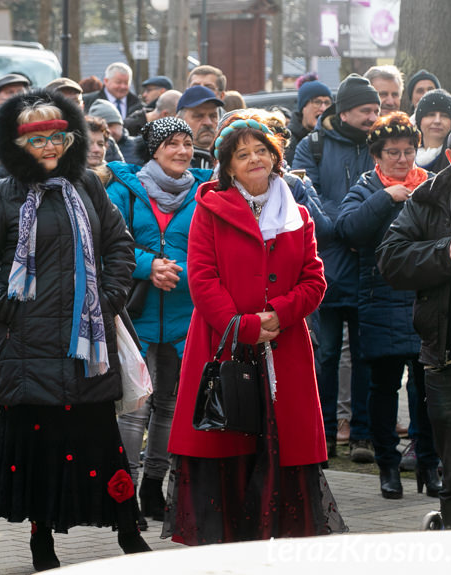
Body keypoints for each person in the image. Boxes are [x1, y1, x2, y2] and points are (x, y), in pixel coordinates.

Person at [0, 90, 150, 571]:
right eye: (37, 138)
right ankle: (41, 544)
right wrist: (7, 307)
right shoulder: (2, 193)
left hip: (85, 343)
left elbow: (120, 246)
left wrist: (108, 299)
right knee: (41, 450)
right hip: (25, 346)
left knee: (99, 441)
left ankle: (128, 533)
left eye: (58, 136)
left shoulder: (87, 184)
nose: (49, 146)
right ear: (17, 144)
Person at [165, 110, 344, 545]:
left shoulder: (297, 213)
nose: (254, 160)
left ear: (275, 156)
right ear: (227, 165)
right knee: (228, 439)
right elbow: (202, 278)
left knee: (281, 444)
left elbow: (315, 279)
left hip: (285, 351)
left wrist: (279, 314)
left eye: (261, 150)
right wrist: (242, 326)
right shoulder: (209, 208)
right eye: (242, 154)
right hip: (223, 345)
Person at [377, 114, 451, 529]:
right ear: (450, 157)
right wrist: (443, 255)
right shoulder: (425, 202)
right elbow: (390, 261)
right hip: (450, 362)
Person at [105, 117, 212, 531]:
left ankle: (154, 486)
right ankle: (124, 495)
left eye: (187, 143)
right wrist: (149, 266)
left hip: (186, 316)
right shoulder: (123, 190)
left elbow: (209, 246)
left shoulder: (204, 193)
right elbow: (110, 244)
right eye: (172, 144)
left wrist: (181, 270)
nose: (183, 151)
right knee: (135, 407)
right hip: (139, 313)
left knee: (170, 405)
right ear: (153, 149)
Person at [335, 112, 440, 500]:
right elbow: (348, 230)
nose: (401, 159)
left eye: (408, 151)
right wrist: (385, 198)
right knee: (382, 388)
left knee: (427, 389)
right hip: (379, 302)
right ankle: (388, 466)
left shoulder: (430, 185)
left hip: (425, 301)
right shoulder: (366, 188)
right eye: (392, 152)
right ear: (376, 156)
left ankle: (430, 462)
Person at [292, 73, 381, 464]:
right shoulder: (311, 146)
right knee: (325, 355)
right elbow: (304, 198)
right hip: (325, 268)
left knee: (365, 356)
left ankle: (361, 434)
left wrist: (356, 222)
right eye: (366, 110)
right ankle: (323, 433)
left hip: (369, 267)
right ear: (344, 112)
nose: (373, 117)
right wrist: (343, 224)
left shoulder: (380, 145)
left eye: (377, 110)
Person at [176, 85, 224, 169]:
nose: (208, 123)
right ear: (179, 120)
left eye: (213, 116)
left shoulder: (228, 156)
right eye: (198, 116)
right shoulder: (171, 162)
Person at [286, 79, 332, 165]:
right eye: (317, 102)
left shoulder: (334, 139)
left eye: (327, 103)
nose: (323, 108)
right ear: (303, 107)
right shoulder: (288, 141)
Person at [88, 99, 144, 166]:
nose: (108, 131)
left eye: (111, 125)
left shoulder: (139, 145)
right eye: (89, 143)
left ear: (121, 125)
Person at [415, 89, 451, 174]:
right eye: (431, 115)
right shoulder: (405, 155)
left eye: (444, 116)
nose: (437, 121)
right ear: (419, 121)